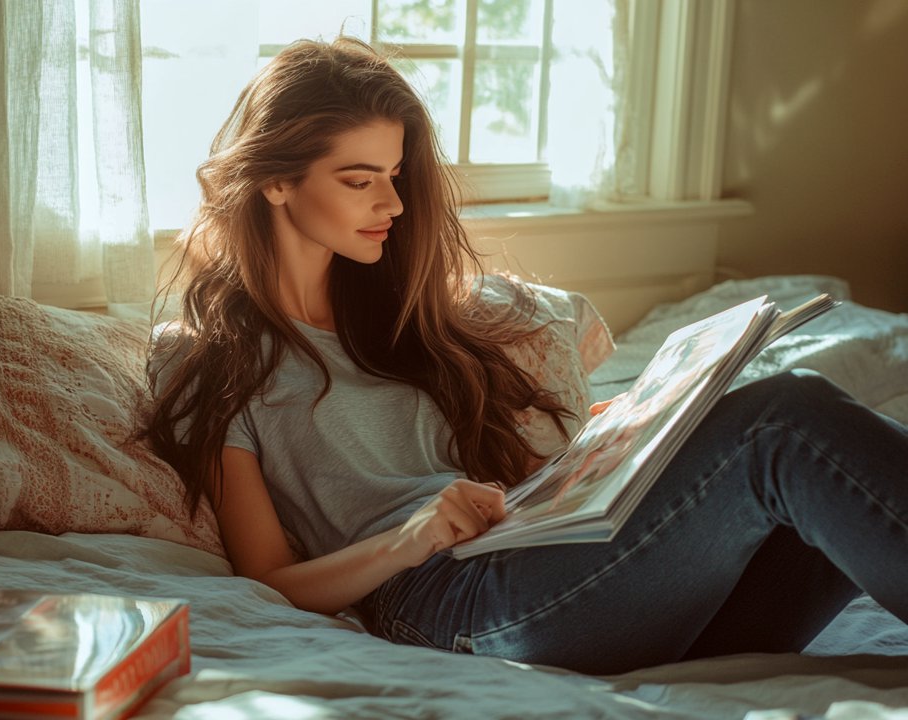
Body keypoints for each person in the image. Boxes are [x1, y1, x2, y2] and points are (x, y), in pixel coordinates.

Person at [144, 37, 908, 675]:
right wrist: (408, 540)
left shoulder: (400, 319)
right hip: (448, 601)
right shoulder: (209, 354)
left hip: (545, 567)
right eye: (360, 179)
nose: (394, 205)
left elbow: (511, 488)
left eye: (397, 177)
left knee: (813, 485)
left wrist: (621, 443)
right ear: (276, 180)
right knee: (783, 419)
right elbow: (270, 578)